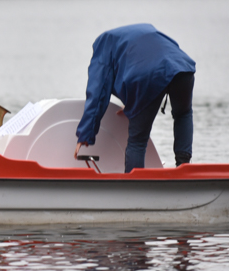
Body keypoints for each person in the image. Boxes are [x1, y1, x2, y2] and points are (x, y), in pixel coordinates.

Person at [74, 23, 196, 173]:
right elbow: (160, 65)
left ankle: (134, 185)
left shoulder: (103, 45)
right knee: (183, 114)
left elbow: (97, 92)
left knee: (137, 141)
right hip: (182, 66)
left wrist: (85, 134)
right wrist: (132, 102)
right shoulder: (143, 31)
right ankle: (184, 168)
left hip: (149, 76)